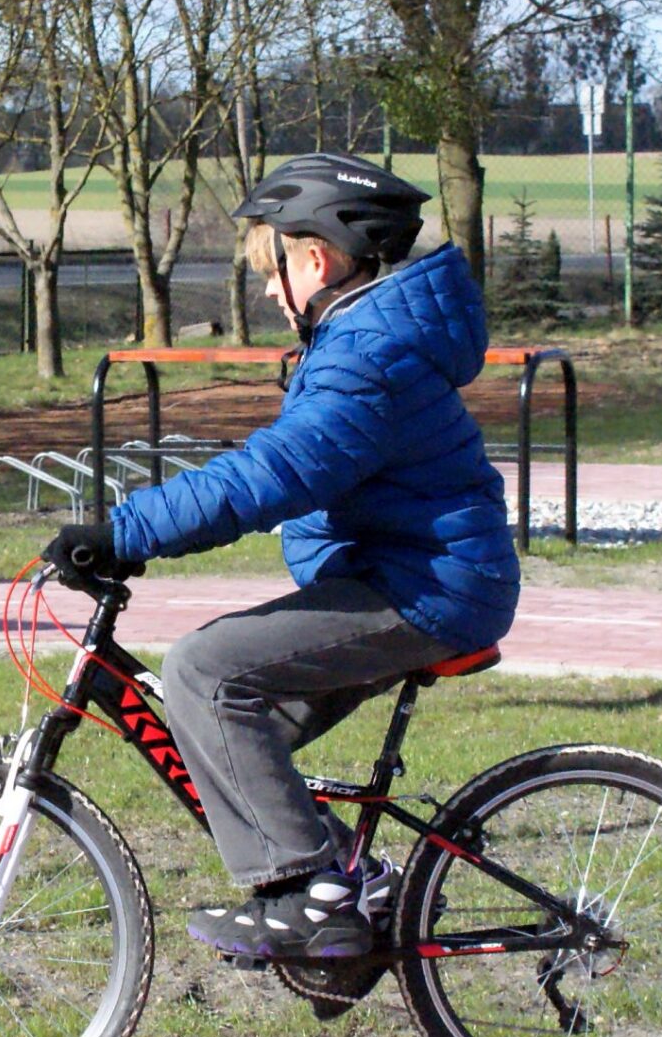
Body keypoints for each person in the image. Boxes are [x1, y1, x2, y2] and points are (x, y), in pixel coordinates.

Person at [44, 153, 519, 960]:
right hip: (410, 577)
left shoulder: (367, 355)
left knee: (203, 671)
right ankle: (356, 889)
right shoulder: (367, 338)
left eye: (274, 269)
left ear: (317, 260)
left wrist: (126, 531)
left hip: (427, 589)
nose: (269, 290)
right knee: (230, 727)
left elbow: (276, 473)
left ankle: (316, 898)